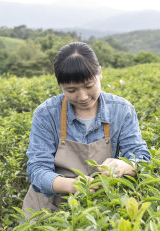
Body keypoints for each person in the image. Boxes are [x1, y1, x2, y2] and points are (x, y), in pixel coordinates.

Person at [22, 42, 151, 219]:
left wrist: (125, 165)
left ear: (100, 74)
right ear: (60, 85)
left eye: (89, 85)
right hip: (49, 208)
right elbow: (37, 170)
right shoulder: (47, 114)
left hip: (102, 206)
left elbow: (140, 156)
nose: (82, 96)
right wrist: (71, 185)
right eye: (71, 90)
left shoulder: (121, 110)